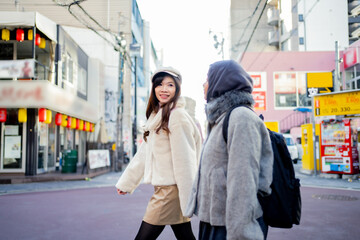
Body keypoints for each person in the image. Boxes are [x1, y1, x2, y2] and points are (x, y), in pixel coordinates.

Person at [185, 60, 274, 240]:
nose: (204, 84)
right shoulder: (220, 119)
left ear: (221, 82)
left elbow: (243, 179)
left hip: (232, 226)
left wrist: (241, 233)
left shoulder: (241, 117)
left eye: (208, 79)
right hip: (215, 220)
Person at [115, 67, 202, 240]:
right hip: (168, 189)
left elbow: (185, 161)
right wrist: (127, 182)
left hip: (170, 191)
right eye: (160, 84)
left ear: (177, 89)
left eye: (170, 85)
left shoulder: (177, 116)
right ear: (153, 87)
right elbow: (144, 153)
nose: (164, 89)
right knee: (185, 236)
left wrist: (188, 199)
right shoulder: (158, 115)